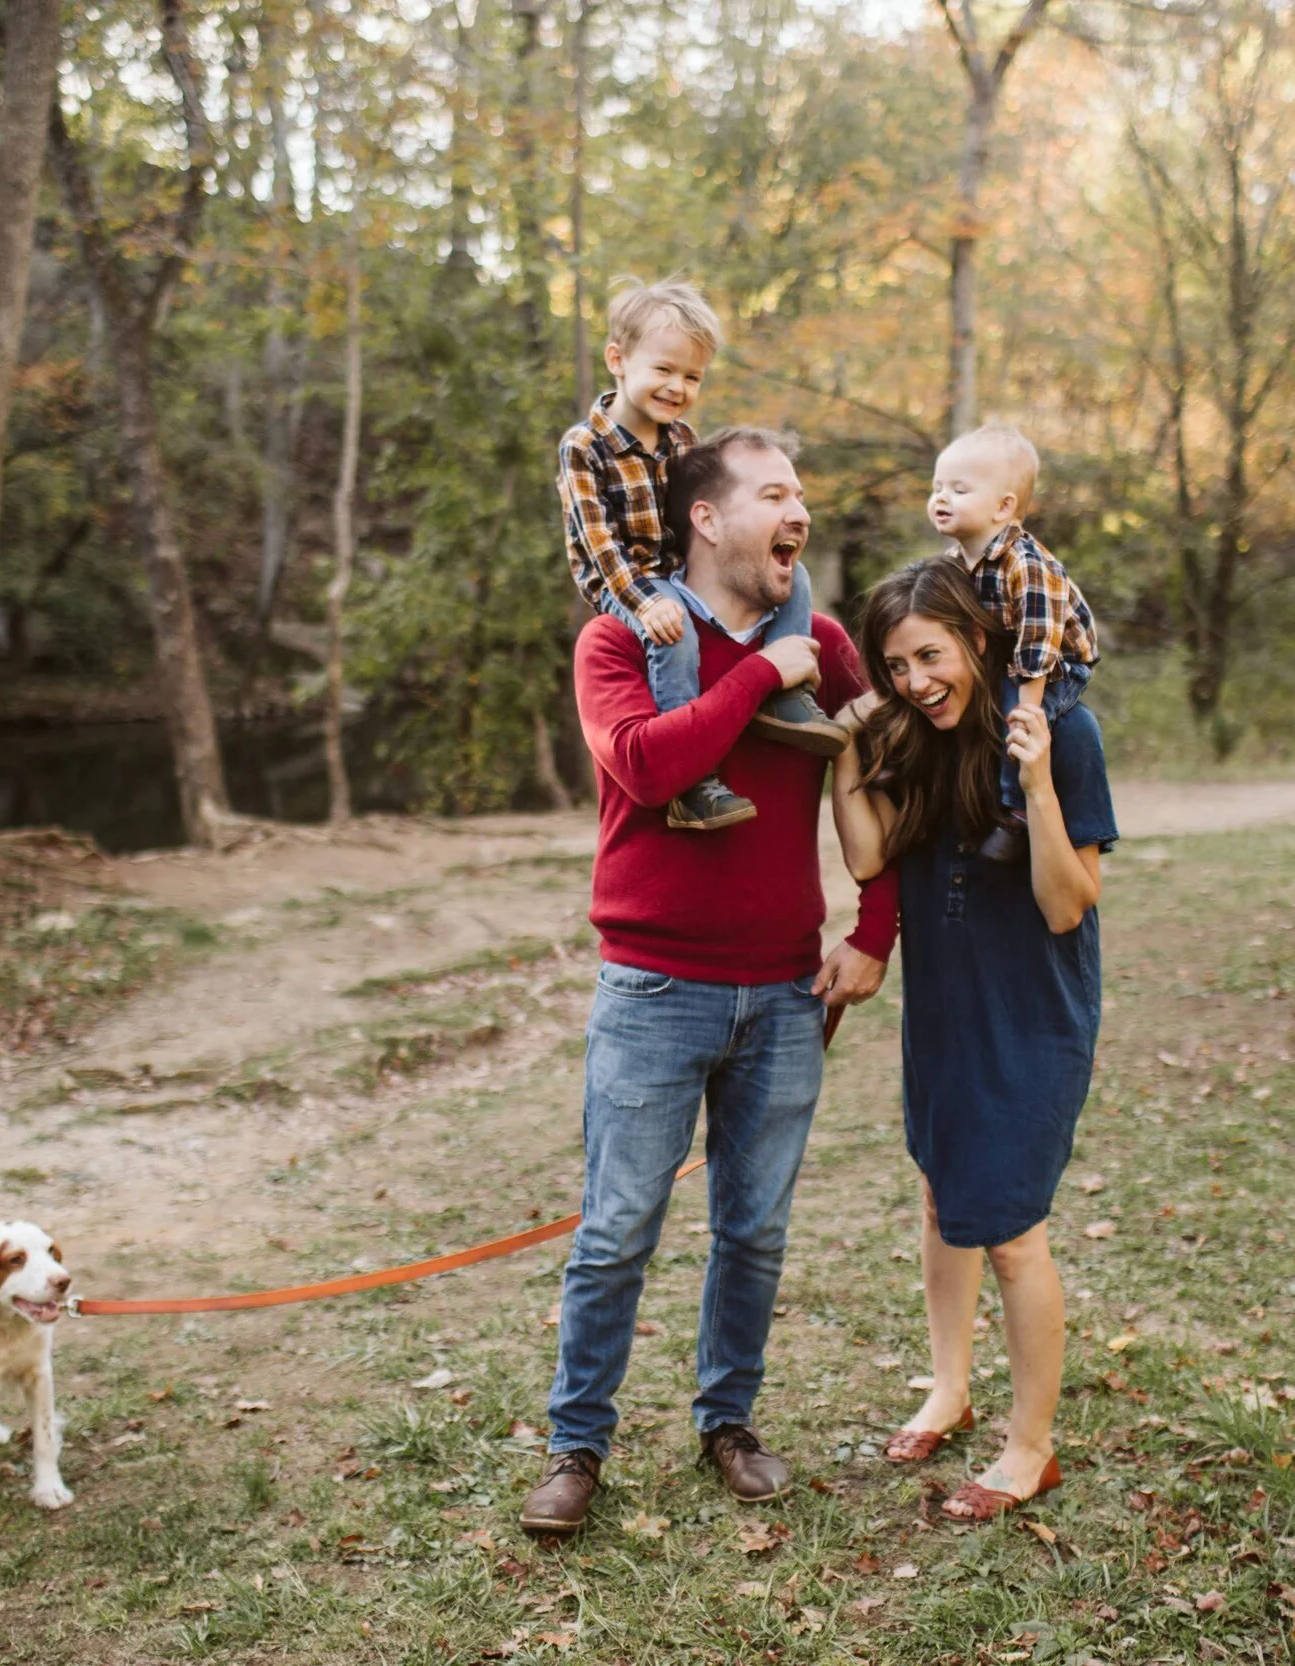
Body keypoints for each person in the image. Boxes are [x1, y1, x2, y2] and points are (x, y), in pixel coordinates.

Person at [522, 428, 896, 1540]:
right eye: (776, 493)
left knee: (755, 1230)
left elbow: (891, 771)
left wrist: (873, 926)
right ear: (707, 515)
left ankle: (728, 1421)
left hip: (785, 990)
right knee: (618, 1227)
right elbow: (644, 765)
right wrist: (761, 681)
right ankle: (577, 1442)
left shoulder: (822, 640)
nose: (801, 514)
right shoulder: (618, 639)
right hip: (651, 987)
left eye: (803, 496)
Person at [827, 558, 1116, 1524]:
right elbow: (868, 854)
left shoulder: (1064, 734)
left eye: (930, 656)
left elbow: (1067, 906)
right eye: (896, 664)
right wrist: (843, 749)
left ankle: (1031, 1448)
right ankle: (948, 1389)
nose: (914, 680)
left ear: (979, 640)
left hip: (1030, 1013)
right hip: (943, 1005)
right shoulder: (912, 735)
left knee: (1013, 1236)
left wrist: (1035, 785)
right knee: (940, 1190)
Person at [558, 279, 845, 833]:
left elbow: (704, 511)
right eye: (664, 370)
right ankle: (693, 782)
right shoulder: (584, 446)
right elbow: (599, 548)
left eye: (691, 376)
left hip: (674, 573)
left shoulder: (681, 438)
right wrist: (644, 605)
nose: (677, 387)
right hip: (624, 582)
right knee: (675, 633)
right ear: (617, 360)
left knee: (798, 576)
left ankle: (786, 698)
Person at [923, 424, 1099, 863]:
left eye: (959, 489)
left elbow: (1038, 640)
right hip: (1006, 657)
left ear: (1004, 507)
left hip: (1058, 664)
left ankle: (1016, 812)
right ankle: (906, 764)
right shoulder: (954, 562)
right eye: (937, 487)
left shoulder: (1026, 562)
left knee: (1014, 722)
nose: (942, 498)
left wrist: (1029, 707)